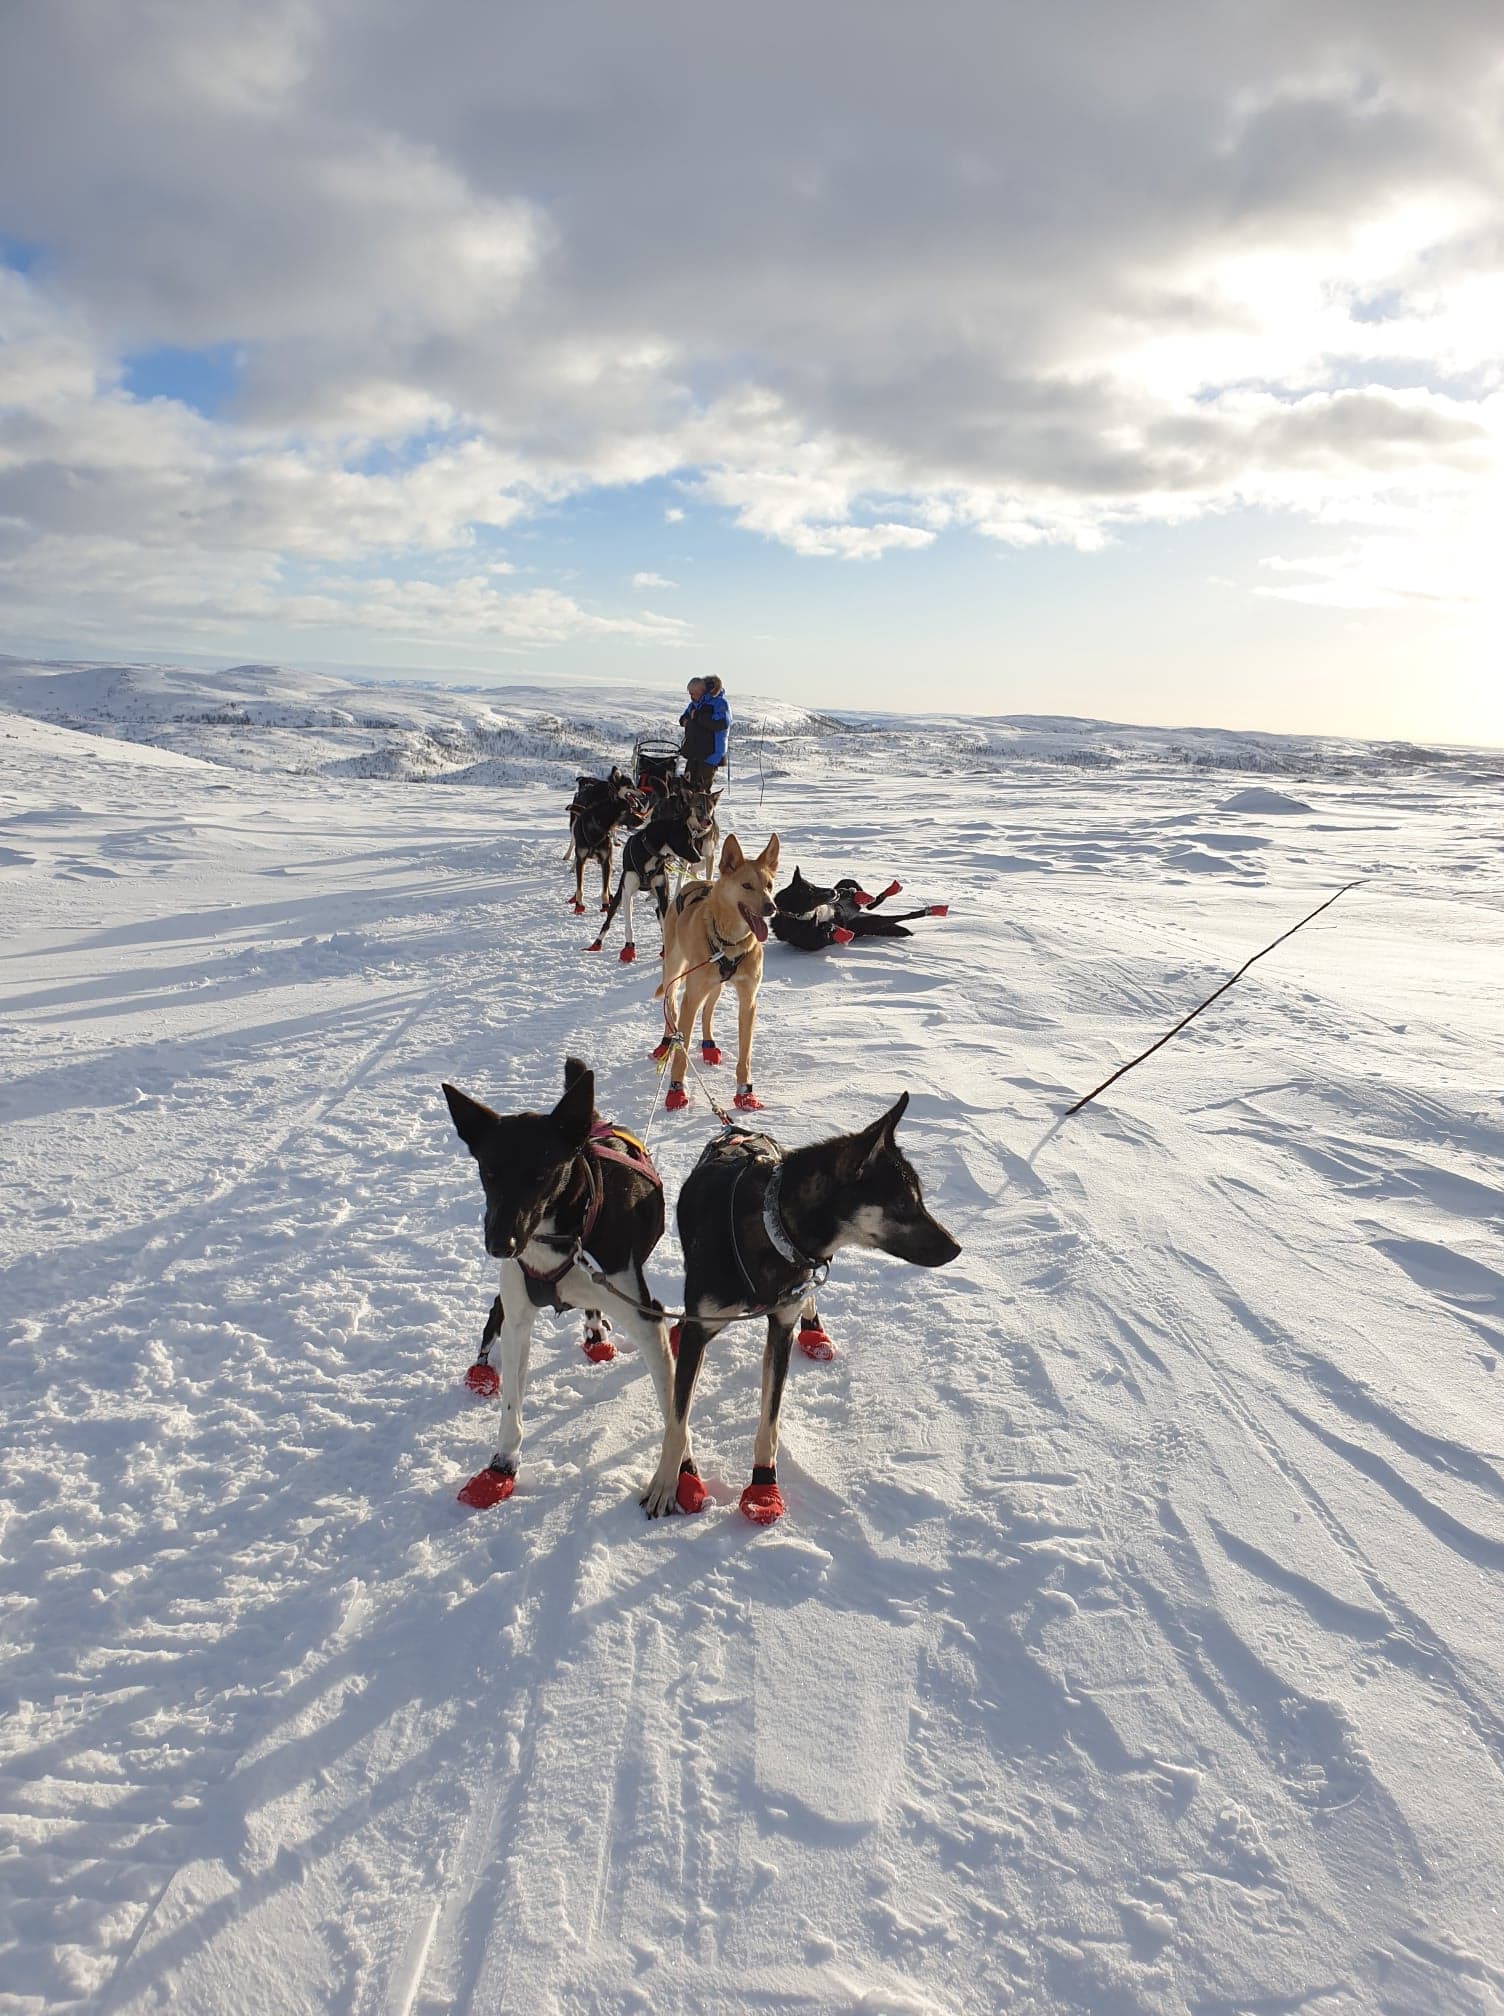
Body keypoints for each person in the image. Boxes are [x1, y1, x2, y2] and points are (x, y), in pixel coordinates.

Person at [678, 675, 730, 789]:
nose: (691, 696)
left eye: (693, 693)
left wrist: (697, 716)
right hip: (694, 752)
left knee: (702, 792)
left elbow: (721, 723)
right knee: (686, 789)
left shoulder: (719, 703)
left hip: (710, 754)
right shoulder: (694, 704)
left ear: (701, 691)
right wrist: (685, 721)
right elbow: (683, 718)